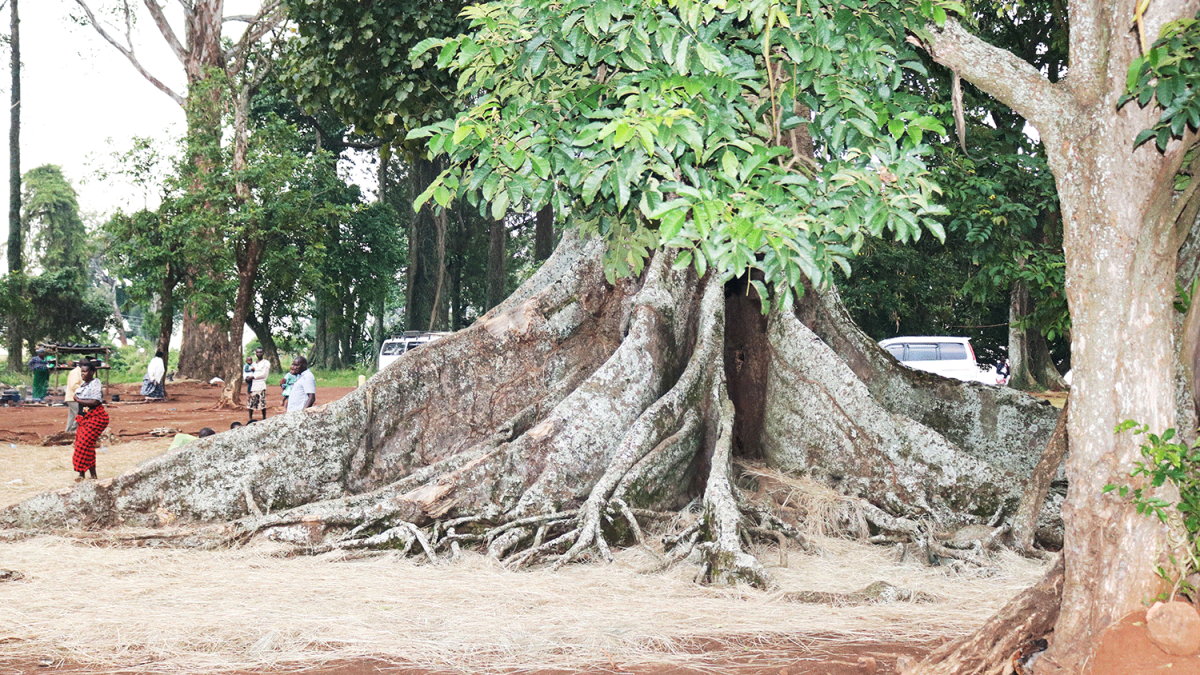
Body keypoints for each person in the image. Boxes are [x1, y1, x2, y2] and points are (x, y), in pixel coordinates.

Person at [72, 361, 108, 482]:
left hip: (96, 418)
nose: (83, 374)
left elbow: (95, 402)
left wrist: (78, 401)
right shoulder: (83, 384)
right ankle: (86, 475)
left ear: (93, 372)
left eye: (86, 371)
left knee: (84, 444)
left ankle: (88, 475)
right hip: (84, 419)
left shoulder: (95, 383)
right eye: (82, 371)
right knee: (81, 445)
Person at [247, 347, 270, 422]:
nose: (259, 354)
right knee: (251, 401)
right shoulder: (253, 364)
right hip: (253, 384)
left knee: (262, 401)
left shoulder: (266, 363)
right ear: (255, 353)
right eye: (257, 352)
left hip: (260, 384)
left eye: (260, 352)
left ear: (263, 353)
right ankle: (250, 417)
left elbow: (264, 374)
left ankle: (264, 417)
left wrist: (253, 377)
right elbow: (249, 372)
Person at [63, 361, 82, 433]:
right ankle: (73, 431)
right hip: (73, 398)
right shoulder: (75, 372)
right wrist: (85, 389)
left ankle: (68, 432)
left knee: (72, 417)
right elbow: (74, 385)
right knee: (81, 414)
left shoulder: (79, 372)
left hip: (73, 398)